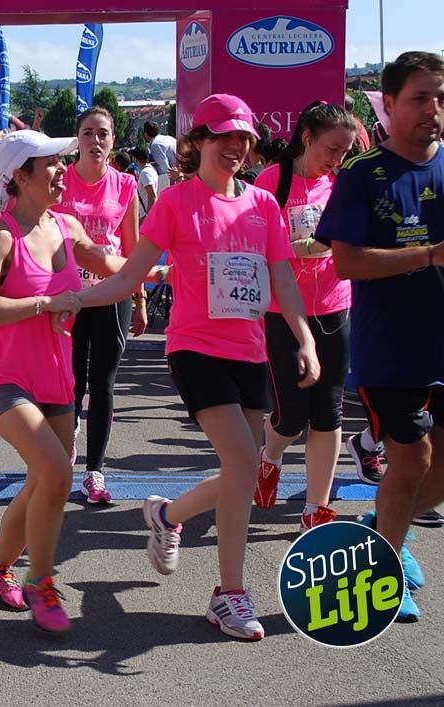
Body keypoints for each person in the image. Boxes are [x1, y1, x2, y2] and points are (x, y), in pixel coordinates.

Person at [80, 94, 319, 641]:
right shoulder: (176, 202)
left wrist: (304, 337)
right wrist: (74, 299)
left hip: (250, 349)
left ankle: (167, 515)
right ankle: (230, 594)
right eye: (223, 137)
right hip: (194, 347)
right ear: (199, 142)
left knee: (244, 470)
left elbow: (282, 279)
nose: (234, 147)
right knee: (242, 461)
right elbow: (131, 274)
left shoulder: (263, 205)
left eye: (243, 139)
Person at [0, 130, 135, 634]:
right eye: (52, 165)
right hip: (9, 381)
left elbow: (114, 270)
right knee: (58, 475)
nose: (64, 170)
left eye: (63, 162)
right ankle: (41, 580)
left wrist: (169, 271)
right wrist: (46, 303)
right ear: (21, 175)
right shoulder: (2, 234)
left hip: (58, 382)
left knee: (43, 481)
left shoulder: (66, 226)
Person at [316, 51, 444, 623]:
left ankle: (382, 526)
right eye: (420, 98)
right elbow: (345, 263)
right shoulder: (362, 174)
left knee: (431, 473)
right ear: (388, 105)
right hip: (391, 348)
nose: (433, 110)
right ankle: (382, 575)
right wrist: (429, 255)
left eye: (441, 98)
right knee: (412, 460)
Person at [251, 102, 356, 533]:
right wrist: (300, 248)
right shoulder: (272, 181)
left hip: (334, 305)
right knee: (291, 414)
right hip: (283, 311)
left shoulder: (342, 184)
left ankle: (316, 507)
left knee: (329, 412)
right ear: (308, 137)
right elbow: (256, 246)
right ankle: (269, 458)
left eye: (345, 152)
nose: (337, 159)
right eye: (332, 149)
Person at [54, 107, 148, 505]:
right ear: (78, 139)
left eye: (104, 134)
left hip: (112, 292)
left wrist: (140, 298)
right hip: (69, 295)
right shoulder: (61, 180)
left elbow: (133, 246)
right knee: (72, 378)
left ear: (113, 140)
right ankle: (68, 435)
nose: (96, 141)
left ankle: (95, 471)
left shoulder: (125, 184)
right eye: (89, 133)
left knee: (104, 381)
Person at [143, 121, 178, 187]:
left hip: (177, 178)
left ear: (146, 134)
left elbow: (166, 171)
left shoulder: (155, 145)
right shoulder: (169, 138)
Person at [130, 147, 159, 214]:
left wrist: (149, 217)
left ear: (136, 158)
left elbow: (152, 196)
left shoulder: (145, 172)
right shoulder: (150, 169)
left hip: (146, 214)